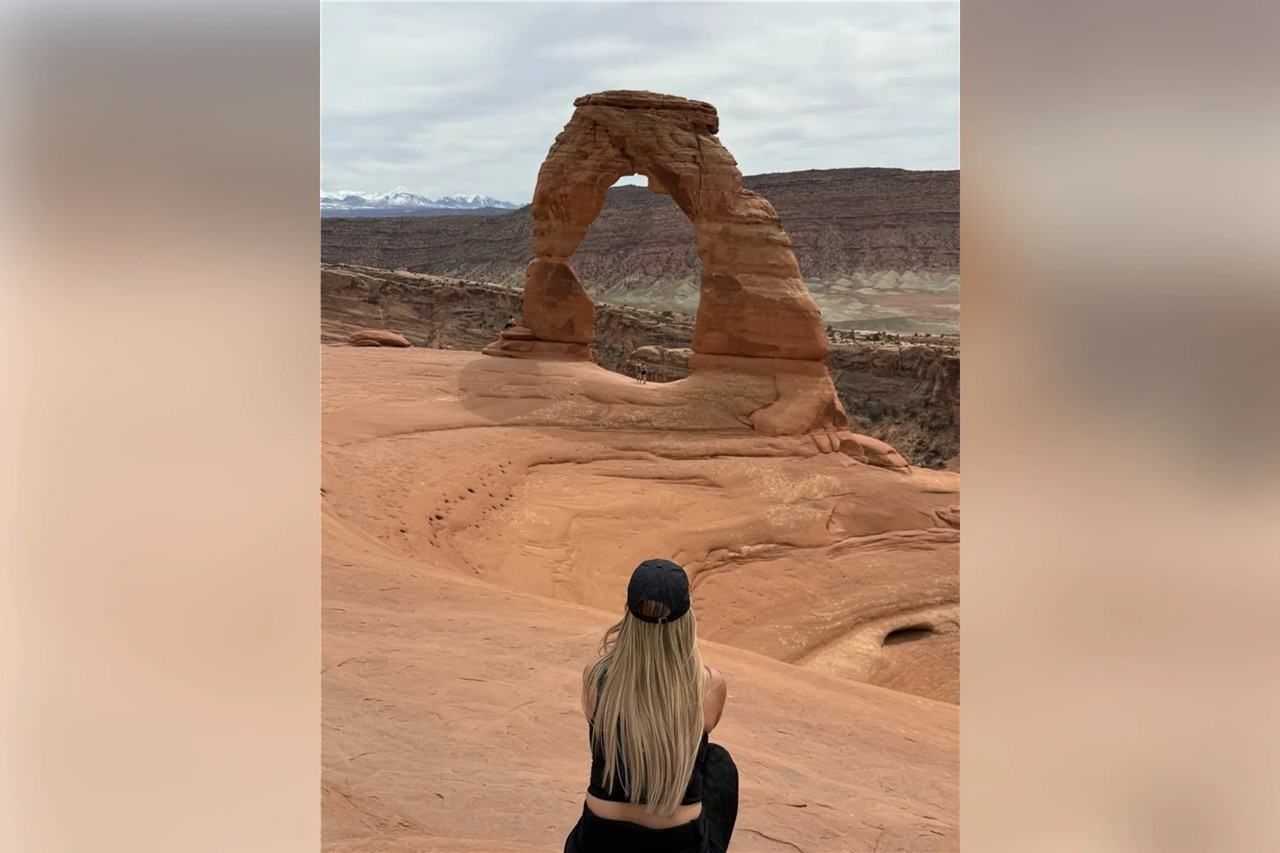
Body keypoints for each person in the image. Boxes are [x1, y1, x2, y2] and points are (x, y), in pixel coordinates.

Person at [564, 559, 738, 853]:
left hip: (598, 842)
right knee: (718, 761)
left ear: (627, 612)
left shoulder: (597, 677)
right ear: (687, 619)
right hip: (678, 844)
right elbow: (706, 726)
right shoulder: (707, 684)